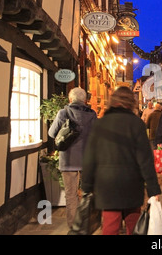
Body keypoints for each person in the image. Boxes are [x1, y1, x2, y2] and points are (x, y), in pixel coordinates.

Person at [80, 87, 161, 235]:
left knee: (110, 226)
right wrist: (153, 189)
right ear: (131, 103)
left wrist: (86, 185)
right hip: (132, 183)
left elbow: (90, 157)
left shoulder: (100, 124)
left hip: (107, 185)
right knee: (134, 225)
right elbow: (145, 160)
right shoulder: (136, 124)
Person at [47, 87, 97, 229]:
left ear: (70, 99)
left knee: (70, 195)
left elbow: (52, 133)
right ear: (85, 100)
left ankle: (74, 227)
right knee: (88, 193)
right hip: (87, 160)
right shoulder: (92, 114)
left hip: (68, 160)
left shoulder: (64, 113)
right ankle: (88, 224)